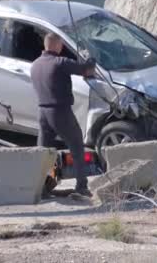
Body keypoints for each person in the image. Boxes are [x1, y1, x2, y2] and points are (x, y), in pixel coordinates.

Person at [30, 32, 96, 197]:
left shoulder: (35, 64)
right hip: (60, 111)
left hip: (43, 113)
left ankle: (40, 189)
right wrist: (90, 58)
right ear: (57, 45)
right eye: (61, 45)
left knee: (43, 153)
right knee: (77, 146)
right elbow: (86, 71)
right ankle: (81, 186)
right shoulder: (60, 62)